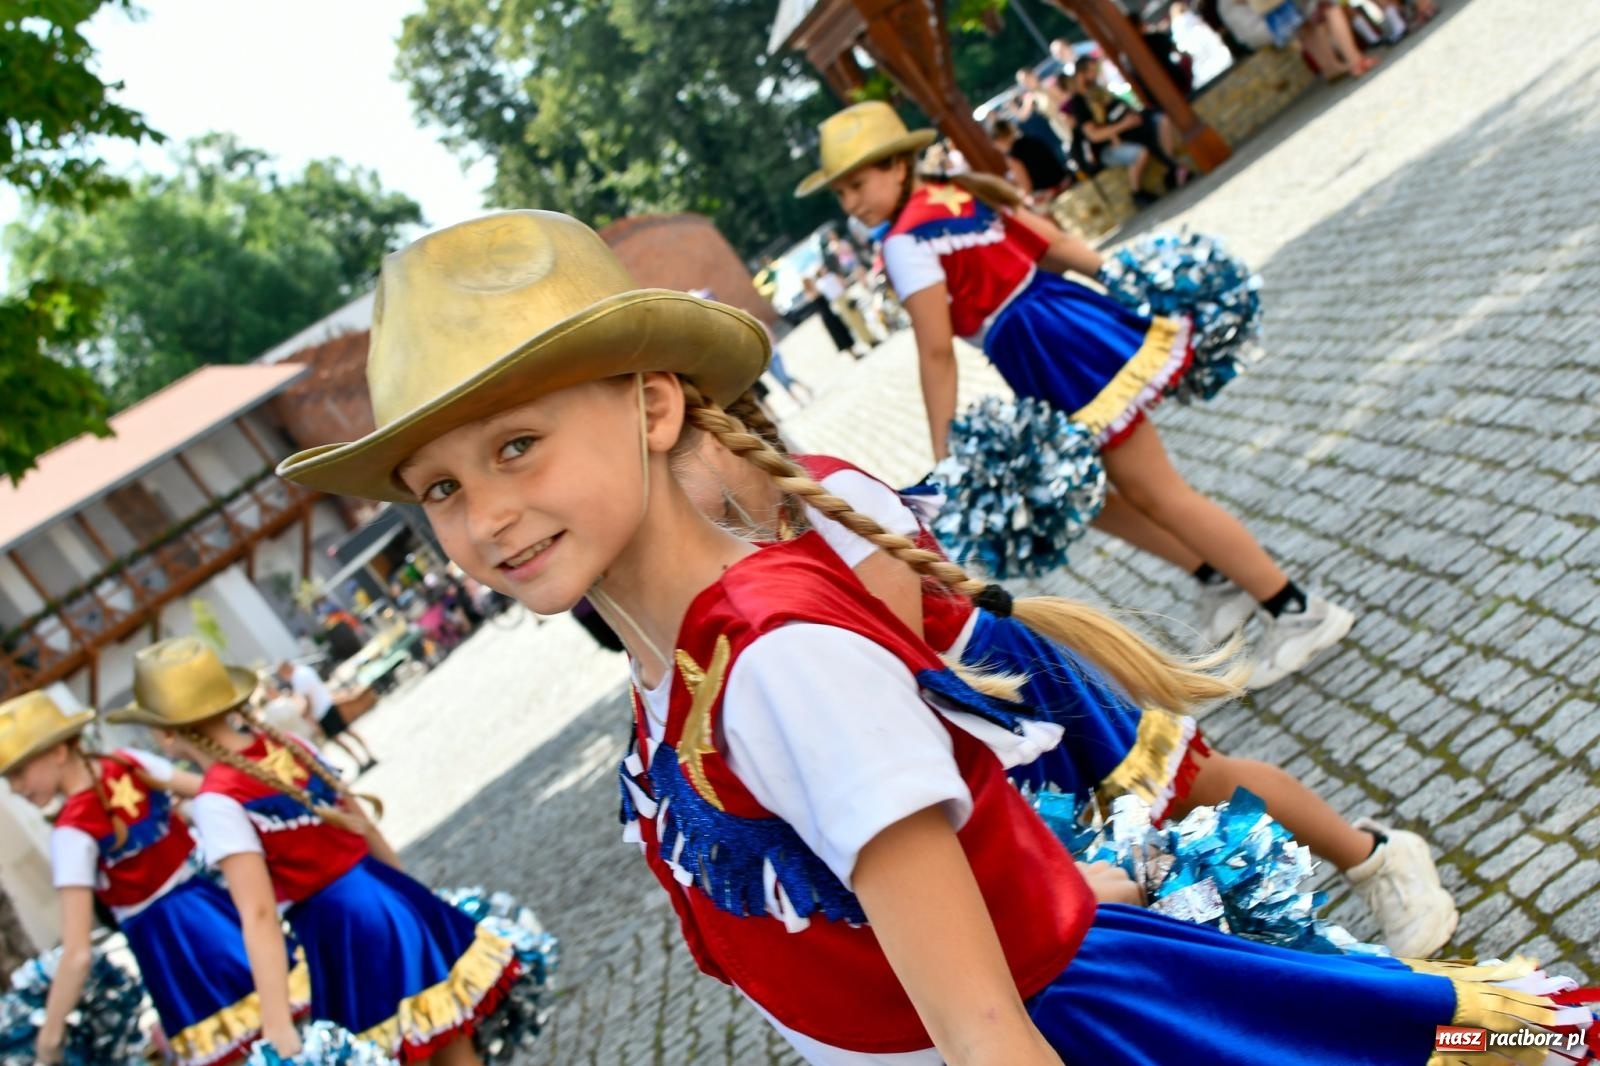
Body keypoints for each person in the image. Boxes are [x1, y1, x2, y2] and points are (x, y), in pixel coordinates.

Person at [277, 210, 1596, 1066]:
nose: (486, 513)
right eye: (440, 487)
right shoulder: (674, 678)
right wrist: (1060, 900)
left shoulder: (777, 662)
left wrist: (1053, 922)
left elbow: (979, 1020)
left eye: (518, 444)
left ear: (659, 405)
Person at [675, 407, 1457, 957]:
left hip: (996, 686)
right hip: (942, 725)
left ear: (716, 435)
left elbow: (894, 647)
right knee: (1092, 869)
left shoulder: (831, 494)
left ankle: (1377, 857)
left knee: (1188, 785)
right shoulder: (719, 554)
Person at [798, 102, 1352, 688]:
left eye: (858, 183)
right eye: (841, 193)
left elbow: (935, 351)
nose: (852, 202)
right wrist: (1119, 283)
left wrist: (945, 458)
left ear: (897, 165)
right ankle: (1217, 576)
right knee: (1085, 494)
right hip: (1057, 333)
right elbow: (1055, 244)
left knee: (1155, 492)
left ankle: (1296, 609)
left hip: (1052, 346)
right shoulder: (954, 196)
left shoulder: (907, 240)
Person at [112, 638, 521, 1064]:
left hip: (343, 929)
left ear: (165, 733)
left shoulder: (218, 799)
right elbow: (362, 823)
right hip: (390, 897)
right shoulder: (288, 746)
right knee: (449, 1041)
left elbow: (258, 913)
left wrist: (276, 1024)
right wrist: (413, 895)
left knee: (394, 1050)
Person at [0, 690, 308, 1066]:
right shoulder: (128, 764)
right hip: (226, 915)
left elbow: (78, 953)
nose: (15, 788)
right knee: (297, 1026)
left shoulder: (71, 832)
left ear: (58, 752)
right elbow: (217, 793)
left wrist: (48, 1040)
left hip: (177, 955)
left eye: (17, 772)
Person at [1064, 56, 1189, 204]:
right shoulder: (1079, 102)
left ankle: (1171, 168)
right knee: (1140, 151)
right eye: (1091, 71)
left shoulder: (1097, 90)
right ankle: (1137, 192)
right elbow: (1094, 135)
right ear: (1081, 75)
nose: (1095, 75)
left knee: (1160, 121)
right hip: (1104, 148)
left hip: (1123, 132)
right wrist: (1122, 126)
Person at [275, 659, 378, 773]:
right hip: (327, 704)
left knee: (338, 739)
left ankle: (359, 760)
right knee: (348, 731)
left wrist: (305, 715)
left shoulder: (297, 678)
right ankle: (368, 754)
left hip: (320, 712)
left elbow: (308, 701)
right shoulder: (305, 670)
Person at [990, 118, 1072, 208]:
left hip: (1049, 196)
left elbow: (1026, 187)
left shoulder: (1013, 156)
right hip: (1065, 183)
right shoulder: (1033, 140)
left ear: (998, 140)